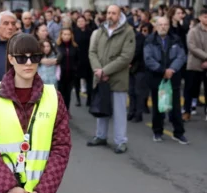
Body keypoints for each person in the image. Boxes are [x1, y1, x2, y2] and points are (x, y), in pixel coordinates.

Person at [0, 33, 71, 193]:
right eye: (21, 58)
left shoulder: (53, 97)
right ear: (11, 59)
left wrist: (44, 191)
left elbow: (61, 148)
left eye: (34, 57)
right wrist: (10, 188)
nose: (28, 63)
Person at [87, 5, 135, 154]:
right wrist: (99, 71)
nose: (110, 16)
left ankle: (121, 141)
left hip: (117, 79)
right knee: (102, 108)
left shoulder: (128, 32)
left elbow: (126, 57)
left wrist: (105, 70)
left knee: (119, 112)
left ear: (120, 15)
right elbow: (92, 52)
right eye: (108, 13)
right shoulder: (100, 30)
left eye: (113, 13)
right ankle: (101, 136)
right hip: (101, 78)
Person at [144, 16, 188, 144]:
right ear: (156, 26)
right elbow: (148, 59)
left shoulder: (176, 39)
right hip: (156, 78)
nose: (163, 27)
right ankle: (157, 132)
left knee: (175, 107)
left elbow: (181, 57)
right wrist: (162, 71)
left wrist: (171, 70)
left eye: (165, 24)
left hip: (173, 77)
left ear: (169, 26)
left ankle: (178, 133)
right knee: (158, 107)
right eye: (160, 25)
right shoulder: (149, 40)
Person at [183, 9, 207, 121]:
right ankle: (187, 111)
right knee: (190, 89)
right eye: (205, 17)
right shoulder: (193, 31)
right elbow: (192, 47)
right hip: (195, 65)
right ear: (200, 18)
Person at [56, 28, 79, 111]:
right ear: (61, 35)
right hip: (60, 74)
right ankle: (60, 111)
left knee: (68, 94)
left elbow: (77, 59)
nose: (66, 36)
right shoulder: (57, 46)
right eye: (64, 34)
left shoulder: (74, 46)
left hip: (71, 74)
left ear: (71, 36)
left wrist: (75, 69)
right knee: (60, 94)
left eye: (68, 34)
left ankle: (67, 111)